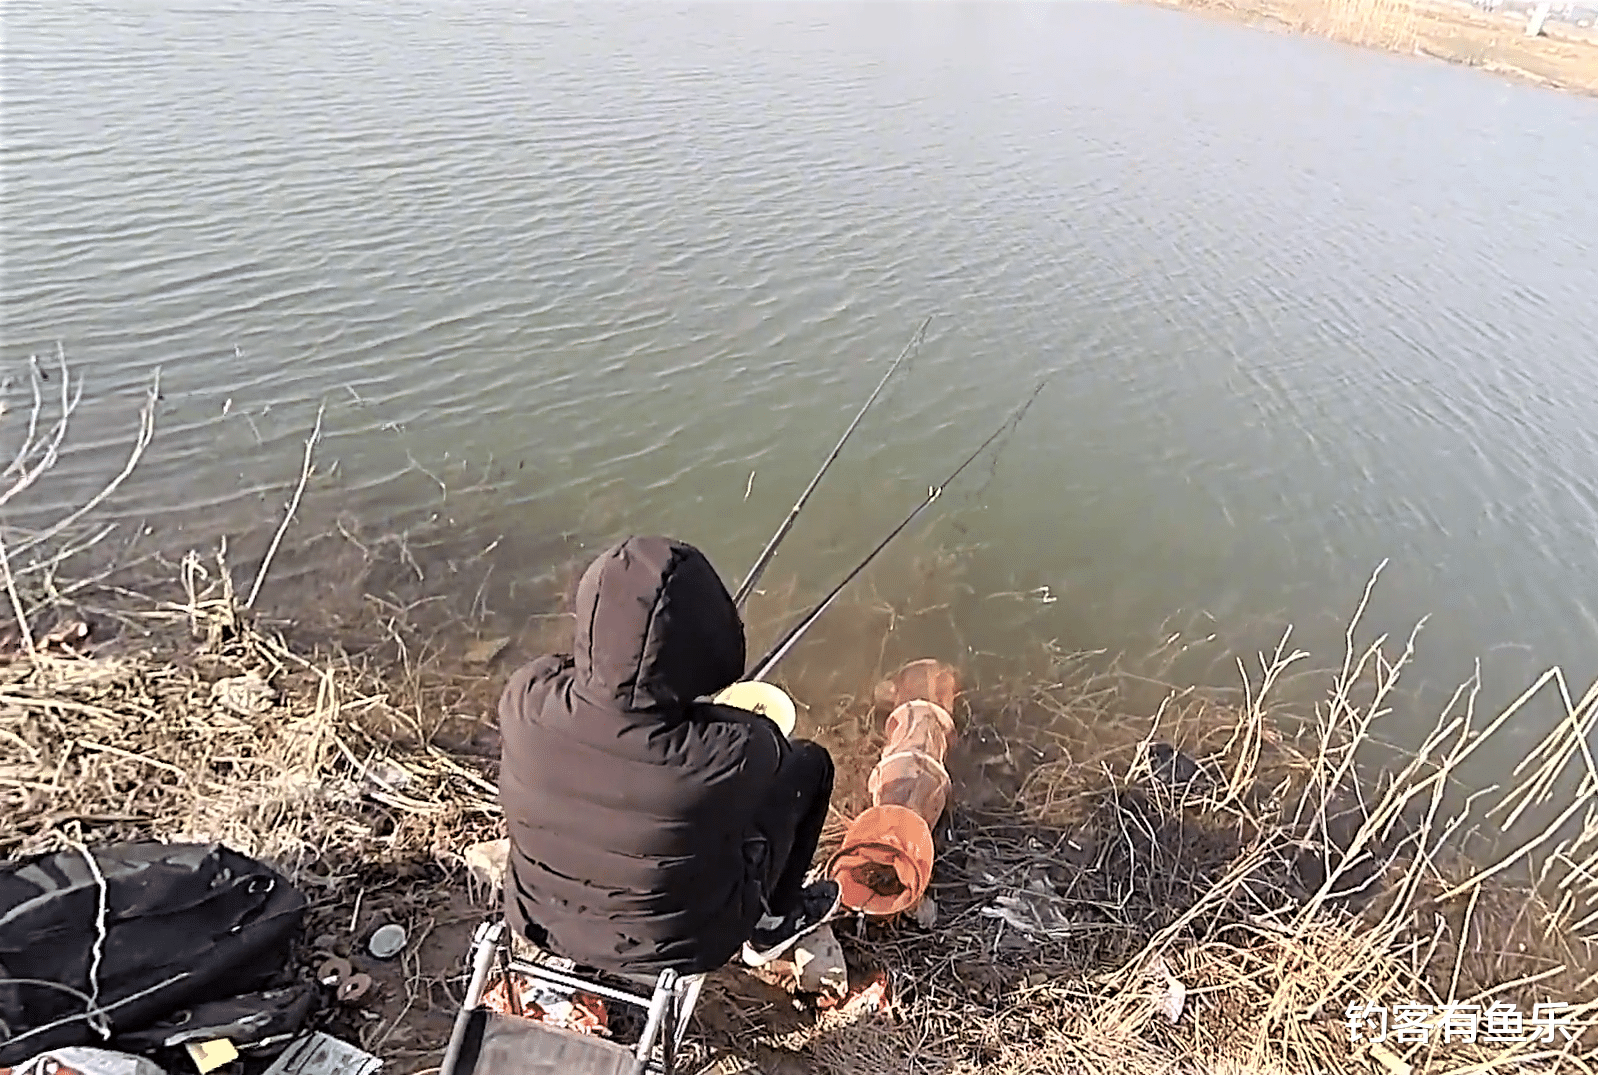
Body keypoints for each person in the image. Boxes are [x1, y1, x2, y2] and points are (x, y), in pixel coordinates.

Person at [497, 535, 838, 977]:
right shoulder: (733, 750)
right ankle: (773, 925)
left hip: (537, 916)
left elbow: (567, 671)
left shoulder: (525, 698)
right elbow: (767, 743)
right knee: (808, 766)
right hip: (682, 946)